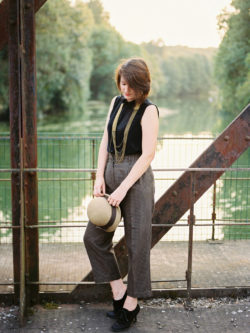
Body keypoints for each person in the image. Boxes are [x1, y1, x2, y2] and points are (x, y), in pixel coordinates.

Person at [84, 57, 159, 332]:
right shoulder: (116, 103)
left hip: (136, 179)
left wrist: (124, 187)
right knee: (93, 237)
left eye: (130, 85)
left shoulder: (150, 110)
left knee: (137, 244)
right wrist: (99, 176)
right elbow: (105, 139)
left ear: (142, 84)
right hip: (111, 171)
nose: (125, 90)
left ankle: (132, 304)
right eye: (122, 83)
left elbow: (148, 153)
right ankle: (118, 292)